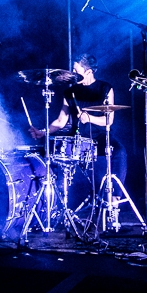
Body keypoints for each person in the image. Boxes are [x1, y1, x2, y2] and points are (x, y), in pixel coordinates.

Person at [28, 54, 127, 202]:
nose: (72, 73)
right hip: (78, 138)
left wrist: (90, 118)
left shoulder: (105, 88)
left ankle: (114, 197)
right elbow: (61, 121)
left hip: (100, 137)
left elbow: (109, 120)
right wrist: (42, 132)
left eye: (76, 70)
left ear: (88, 72)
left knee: (120, 151)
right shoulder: (70, 91)